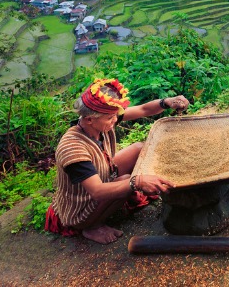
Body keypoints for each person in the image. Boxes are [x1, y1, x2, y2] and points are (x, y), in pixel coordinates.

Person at [44, 78, 189, 244]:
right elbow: (97, 191)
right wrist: (137, 182)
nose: (115, 120)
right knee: (128, 181)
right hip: (81, 207)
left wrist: (166, 102)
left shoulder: (102, 120)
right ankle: (91, 227)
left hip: (103, 174)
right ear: (89, 119)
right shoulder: (72, 150)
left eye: (115, 116)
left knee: (138, 149)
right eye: (110, 118)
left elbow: (143, 109)